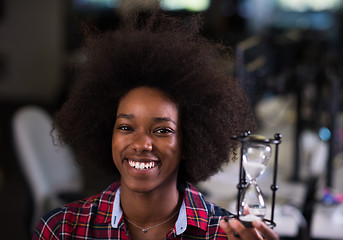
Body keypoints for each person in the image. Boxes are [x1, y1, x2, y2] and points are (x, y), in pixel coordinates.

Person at [32, 10, 279, 240]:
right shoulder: (61, 229)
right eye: (126, 127)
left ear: (188, 142)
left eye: (162, 130)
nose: (140, 144)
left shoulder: (224, 234)